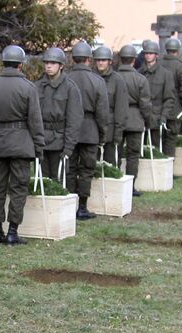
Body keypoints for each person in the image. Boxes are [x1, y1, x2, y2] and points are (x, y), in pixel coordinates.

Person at [0, 45, 44, 245]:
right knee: (18, 188)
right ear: (20, 64)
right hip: (21, 144)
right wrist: (39, 147)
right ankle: (12, 232)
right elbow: (35, 121)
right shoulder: (28, 87)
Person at [66, 41, 109, 220]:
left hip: (69, 129)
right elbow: (102, 112)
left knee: (70, 168)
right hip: (90, 129)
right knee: (86, 169)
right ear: (89, 60)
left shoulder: (65, 78)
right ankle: (82, 207)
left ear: (73, 58)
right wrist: (102, 133)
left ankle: (68, 204)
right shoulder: (97, 81)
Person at [33, 47, 81, 180]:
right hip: (41, 140)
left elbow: (74, 120)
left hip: (59, 141)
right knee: (40, 181)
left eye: (53, 63)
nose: (48, 66)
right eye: (46, 63)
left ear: (61, 66)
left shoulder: (70, 88)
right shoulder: (36, 87)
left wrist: (69, 147)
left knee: (58, 180)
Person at [116, 45, 153, 197]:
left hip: (116, 118)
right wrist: (148, 120)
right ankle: (131, 186)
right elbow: (145, 104)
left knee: (115, 152)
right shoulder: (140, 79)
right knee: (133, 155)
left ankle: (115, 181)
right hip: (135, 119)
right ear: (133, 60)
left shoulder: (114, 77)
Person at [93, 46, 128, 166]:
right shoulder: (91, 77)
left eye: (103, 60)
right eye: (98, 60)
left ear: (110, 61)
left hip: (110, 129)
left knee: (111, 163)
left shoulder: (118, 80)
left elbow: (121, 108)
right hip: (93, 128)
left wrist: (118, 132)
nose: (100, 62)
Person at [138, 40, 175, 155]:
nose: (148, 55)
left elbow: (169, 98)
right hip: (140, 116)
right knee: (139, 149)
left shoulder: (166, 74)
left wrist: (164, 116)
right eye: (146, 53)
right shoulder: (138, 73)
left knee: (157, 149)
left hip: (157, 116)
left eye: (151, 53)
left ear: (156, 55)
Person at [160, 38, 182, 156]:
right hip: (175, 107)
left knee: (160, 138)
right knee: (171, 139)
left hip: (159, 105)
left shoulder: (159, 64)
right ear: (178, 50)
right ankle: (169, 169)